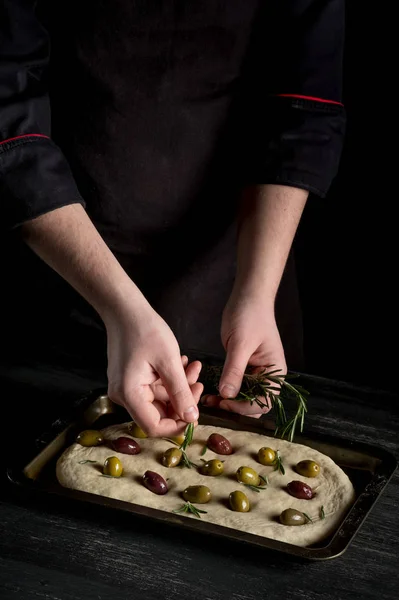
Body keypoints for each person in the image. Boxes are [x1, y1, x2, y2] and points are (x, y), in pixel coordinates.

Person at [0, 1, 346, 436]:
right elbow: (9, 118)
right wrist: (120, 307)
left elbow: (304, 107)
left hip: (244, 264)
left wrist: (258, 292)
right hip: (63, 263)